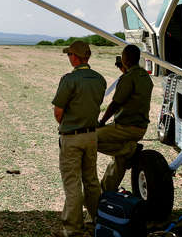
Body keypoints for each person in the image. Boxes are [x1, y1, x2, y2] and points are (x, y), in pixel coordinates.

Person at [52, 40, 106, 237]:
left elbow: (58, 112)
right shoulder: (100, 79)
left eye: (69, 55)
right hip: (92, 135)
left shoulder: (69, 79)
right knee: (91, 180)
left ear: (74, 57)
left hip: (72, 137)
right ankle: (99, 221)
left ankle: (73, 229)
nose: (69, 58)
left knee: (72, 182)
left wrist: (66, 126)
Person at [97, 44, 153, 193]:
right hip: (140, 127)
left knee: (88, 138)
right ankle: (107, 191)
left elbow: (116, 103)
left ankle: (130, 150)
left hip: (125, 127)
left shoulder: (128, 78)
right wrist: (125, 71)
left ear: (125, 59)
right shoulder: (144, 76)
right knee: (119, 160)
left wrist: (101, 123)